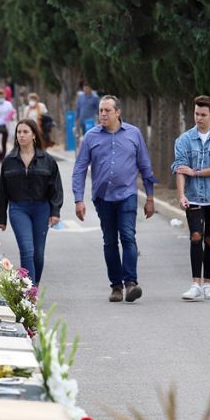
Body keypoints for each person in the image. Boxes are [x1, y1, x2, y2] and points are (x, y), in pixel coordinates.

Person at [72, 95, 156, 302]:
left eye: (107, 110)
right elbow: (80, 169)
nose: (103, 114)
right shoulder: (90, 137)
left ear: (118, 112)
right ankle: (116, 286)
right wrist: (78, 199)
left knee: (128, 236)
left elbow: (145, 167)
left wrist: (150, 197)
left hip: (127, 194)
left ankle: (131, 283)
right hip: (103, 198)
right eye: (101, 110)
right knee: (110, 241)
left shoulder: (134, 134)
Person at [171, 96, 210, 301]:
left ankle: (208, 283)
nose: (199, 118)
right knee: (196, 236)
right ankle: (195, 283)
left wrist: (197, 172)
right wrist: (181, 196)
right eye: (196, 114)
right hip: (193, 197)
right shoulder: (183, 140)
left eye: (203, 115)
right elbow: (180, 169)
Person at [0, 119, 63, 285]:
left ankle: (35, 283)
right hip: (18, 209)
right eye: (19, 132)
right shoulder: (9, 160)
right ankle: (29, 290)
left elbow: (56, 188)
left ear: (33, 135)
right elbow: (2, 190)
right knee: (27, 249)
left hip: (41, 208)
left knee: (38, 253)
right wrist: (1, 217)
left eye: (25, 132)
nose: (22, 135)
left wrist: (55, 212)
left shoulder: (47, 160)